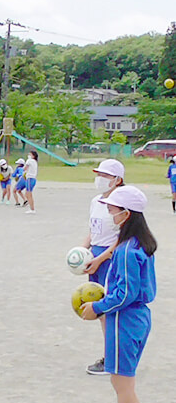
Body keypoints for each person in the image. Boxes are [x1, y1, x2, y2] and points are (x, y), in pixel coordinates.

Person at [81, 185, 156, 403]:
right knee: (124, 383)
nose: (110, 215)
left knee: (122, 384)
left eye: (113, 210)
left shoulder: (125, 251)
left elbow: (124, 294)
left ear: (126, 214)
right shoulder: (140, 243)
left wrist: (97, 307)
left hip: (125, 320)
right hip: (138, 317)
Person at [81, 159, 125, 375]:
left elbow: (122, 238)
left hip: (110, 259)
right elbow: (93, 231)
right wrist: (82, 251)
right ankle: (110, 355)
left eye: (105, 176)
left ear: (117, 180)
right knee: (100, 310)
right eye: (99, 174)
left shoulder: (122, 204)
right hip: (95, 258)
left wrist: (100, 259)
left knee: (110, 309)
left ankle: (113, 359)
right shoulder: (96, 201)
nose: (100, 179)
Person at [23, 150, 39, 214]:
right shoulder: (35, 162)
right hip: (32, 178)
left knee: (29, 194)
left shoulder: (30, 161)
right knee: (27, 194)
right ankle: (31, 207)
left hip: (30, 178)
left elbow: (25, 168)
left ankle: (32, 209)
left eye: (30, 154)